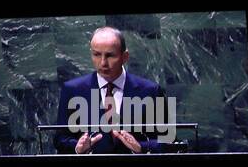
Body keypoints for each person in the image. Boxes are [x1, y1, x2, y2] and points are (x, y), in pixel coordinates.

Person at [53, 27, 165, 155]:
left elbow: (168, 141)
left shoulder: (151, 91)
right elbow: (60, 139)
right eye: (96, 54)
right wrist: (77, 148)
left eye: (110, 55)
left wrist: (141, 147)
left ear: (125, 56)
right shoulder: (72, 90)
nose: (103, 63)